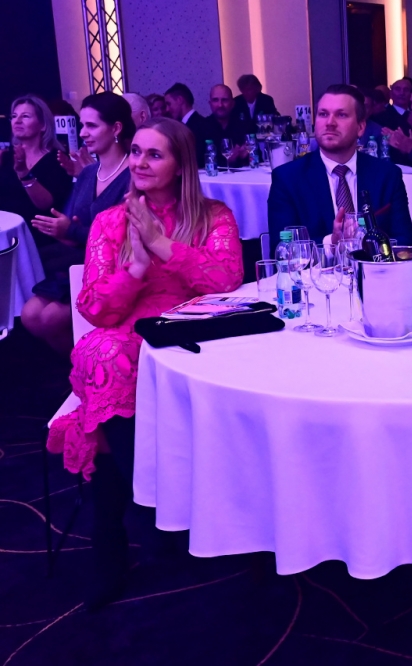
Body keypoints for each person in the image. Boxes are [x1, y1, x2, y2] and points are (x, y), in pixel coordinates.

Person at [47, 116, 243, 609]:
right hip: (128, 331)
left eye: (154, 154)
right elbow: (95, 308)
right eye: (135, 151)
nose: (139, 162)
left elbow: (226, 281)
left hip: (194, 332)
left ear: (181, 164)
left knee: (115, 368)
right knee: (104, 353)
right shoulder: (110, 221)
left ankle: (117, 533)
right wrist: (135, 268)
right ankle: (151, 507)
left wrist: (161, 246)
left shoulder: (213, 216)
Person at [21, 92, 134, 355]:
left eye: (91, 126)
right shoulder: (88, 173)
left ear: (116, 128)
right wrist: (61, 229)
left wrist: (70, 230)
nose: (83, 133)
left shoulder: (133, 174)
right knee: (30, 315)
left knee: (49, 318)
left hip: (114, 268)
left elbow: (122, 237)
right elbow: (71, 222)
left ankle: (92, 365)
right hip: (79, 261)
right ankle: (81, 364)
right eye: (82, 125)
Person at [268, 85, 412, 249]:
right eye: (323, 114)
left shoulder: (387, 175)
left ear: (360, 128)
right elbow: (282, 247)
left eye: (341, 115)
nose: (330, 123)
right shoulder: (288, 178)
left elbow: (405, 242)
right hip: (318, 266)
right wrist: (332, 242)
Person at [0, 95, 74, 240]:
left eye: (25, 116)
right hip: (4, 231)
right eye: (14, 116)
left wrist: (24, 173)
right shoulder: (6, 156)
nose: (17, 121)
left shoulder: (56, 159)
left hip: (35, 235)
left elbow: (45, 205)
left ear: (43, 125)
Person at [164, 83, 211, 168]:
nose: (167, 109)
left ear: (179, 100)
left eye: (169, 104)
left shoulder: (201, 125)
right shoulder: (183, 125)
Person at [205, 84, 253, 168]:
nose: (220, 105)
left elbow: (258, 157)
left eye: (224, 100)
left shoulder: (245, 126)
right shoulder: (201, 127)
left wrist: (247, 155)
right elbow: (199, 162)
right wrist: (227, 160)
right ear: (210, 103)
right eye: (215, 100)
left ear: (232, 103)